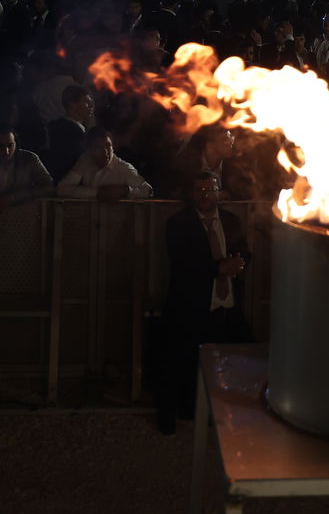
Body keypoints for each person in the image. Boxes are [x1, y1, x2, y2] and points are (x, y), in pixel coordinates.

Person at [157, 172, 251, 435]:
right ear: (191, 193)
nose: (205, 195)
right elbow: (183, 263)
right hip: (190, 303)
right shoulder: (178, 224)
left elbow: (244, 250)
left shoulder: (231, 221)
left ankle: (220, 415)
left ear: (219, 192)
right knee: (179, 360)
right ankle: (168, 417)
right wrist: (220, 267)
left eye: (210, 189)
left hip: (226, 303)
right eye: (200, 190)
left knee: (230, 358)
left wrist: (239, 263)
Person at [55, 127, 154, 200]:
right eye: (98, 147)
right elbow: (62, 188)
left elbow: (148, 190)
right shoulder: (85, 161)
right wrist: (97, 192)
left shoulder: (123, 167)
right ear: (90, 150)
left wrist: (126, 190)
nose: (105, 151)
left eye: (108, 146)